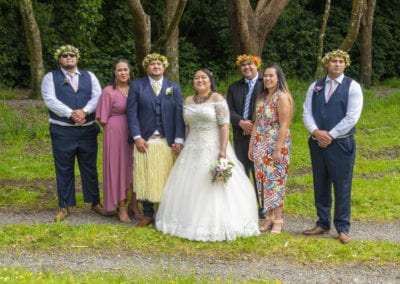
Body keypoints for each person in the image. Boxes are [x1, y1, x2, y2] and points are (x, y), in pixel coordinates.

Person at [156, 68, 260, 241]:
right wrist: (183, 143)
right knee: (188, 184)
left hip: (213, 146)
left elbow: (224, 125)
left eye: (203, 77)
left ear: (210, 80)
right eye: (196, 78)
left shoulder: (217, 98)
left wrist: (223, 150)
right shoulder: (188, 100)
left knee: (213, 185)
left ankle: (217, 223)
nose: (200, 80)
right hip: (192, 147)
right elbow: (188, 125)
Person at [302, 49, 363, 244]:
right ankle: (322, 222)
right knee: (320, 182)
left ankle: (343, 228)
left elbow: (352, 116)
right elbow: (306, 112)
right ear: (327, 64)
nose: (337, 64)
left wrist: (331, 135)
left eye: (341, 62)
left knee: (342, 185)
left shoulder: (352, 86)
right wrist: (316, 132)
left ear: (345, 65)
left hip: (341, 143)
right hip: (317, 141)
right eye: (334, 61)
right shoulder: (315, 86)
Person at [41, 44, 107, 222]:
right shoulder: (50, 77)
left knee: (90, 167)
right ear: (59, 59)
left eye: (71, 55)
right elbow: (50, 99)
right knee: (64, 168)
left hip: (87, 130)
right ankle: (64, 205)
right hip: (62, 131)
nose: (68, 58)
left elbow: (98, 96)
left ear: (77, 58)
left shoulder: (89, 76)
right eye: (64, 56)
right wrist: (71, 113)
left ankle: (94, 203)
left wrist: (84, 111)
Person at [126, 52, 185, 227]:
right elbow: (131, 113)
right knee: (147, 177)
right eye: (152, 64)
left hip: (167, 141)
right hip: (146, 140)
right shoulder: (137, 86)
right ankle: (148, 213)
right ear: (147, 67)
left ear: (164, 67)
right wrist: (137, 137)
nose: (156, 67)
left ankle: (165, 213)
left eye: (159, 64)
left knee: (167, 177)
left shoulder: (173, 87)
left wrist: (179, 139)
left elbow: (179, 114)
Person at [95, 59, 144, 224]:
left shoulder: (136, 88)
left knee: (136, 166)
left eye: (126, 70)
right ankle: (121, 205)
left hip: (136, 131)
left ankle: (134, 203)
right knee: (118, 168)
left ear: (130, 72)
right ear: (114, 73)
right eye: (119, 70)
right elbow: (102, 118)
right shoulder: (109, 91)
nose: (123, 73)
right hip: (115, 132)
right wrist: (115, 129)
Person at [248, 64, 293, 234]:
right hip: (260, 143)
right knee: (262, 180)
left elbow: (284, 125)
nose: (267, 79)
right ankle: (268, 217)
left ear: (278, 78)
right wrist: (252, 145)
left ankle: (278, 220)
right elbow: (257, 123)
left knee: (275, 181)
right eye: (265, 76)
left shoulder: (282, 97)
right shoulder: (263, 97)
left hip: (276, 142)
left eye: (271, 76)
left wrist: (278, 148)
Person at [227, 54, 265, 218]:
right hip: (240, 134)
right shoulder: (234, 87)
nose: (247, 68)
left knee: (259, 170)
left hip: (261, 135)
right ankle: (243, 204)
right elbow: (227, 109)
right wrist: (241, 122)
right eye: (243, 65)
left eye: (250, 64)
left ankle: (263, 206)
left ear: (257, 65)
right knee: (242, 169)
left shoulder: (266, 83)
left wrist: (253, 126)